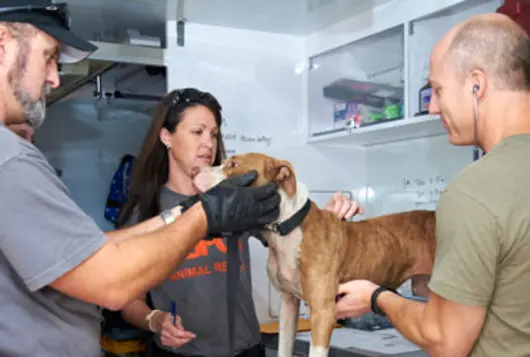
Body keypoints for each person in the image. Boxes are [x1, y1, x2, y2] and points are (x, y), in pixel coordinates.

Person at [0, 2, 283, 356]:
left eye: (213, 133)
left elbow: (97, 249)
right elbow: (112, 283)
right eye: (49, 56)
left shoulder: (231, 200)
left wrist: (192, 213)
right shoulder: (9, 160)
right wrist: (204, 217)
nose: (55, 78)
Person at [108, 87, 364, 357]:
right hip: (181, 353)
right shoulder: (147, 213)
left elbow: (291, 228)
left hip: (248, 351)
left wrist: (325, 220)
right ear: (166, 136)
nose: (209, 143)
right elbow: (128, 301)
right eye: (197, 132)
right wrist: (155, 320)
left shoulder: (235, 200)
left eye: (214, 134)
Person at [335, 12, 530, 357]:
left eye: (437, 90)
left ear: (476, 84)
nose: (432, 108)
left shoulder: (475, 191)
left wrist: (377, 297)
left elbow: (445, 339)